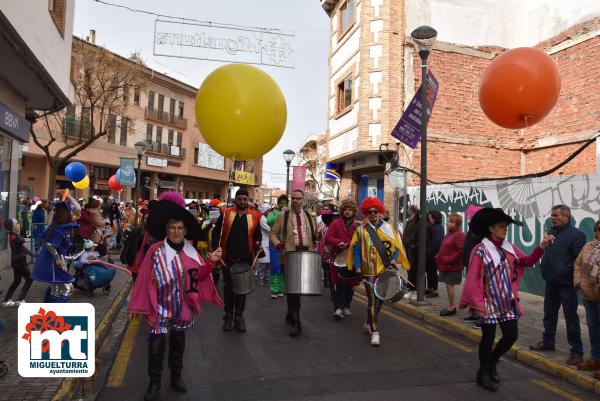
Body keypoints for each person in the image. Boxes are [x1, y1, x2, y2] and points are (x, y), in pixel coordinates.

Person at [128, 192, 222, 401]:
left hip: (182, 308)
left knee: (178, 343)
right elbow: (142, 280)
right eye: (172, 228)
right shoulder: (155, 250)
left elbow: (199, 276)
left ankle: (176, 377)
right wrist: (136, 306)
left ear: (185, 231)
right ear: (166, 230)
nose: (176, 231)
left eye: (180, 228)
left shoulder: (191, 251)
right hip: (158, 307)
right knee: (156, 346)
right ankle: (154, 383)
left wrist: (211, 262)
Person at [460, 208, 553, 392]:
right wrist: (477, 305)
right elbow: (472, 279)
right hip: (487, 303)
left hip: (506, 302)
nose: (505, 230)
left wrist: (541, 247)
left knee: (511, 336)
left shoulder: (508, 247)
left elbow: (526, 261)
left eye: (506, 227)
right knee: (488, 337)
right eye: (502, 226)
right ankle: (483, 372)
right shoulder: (480, 250)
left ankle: (493, 361)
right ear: (491, 228)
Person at [348, 197, 410, 346]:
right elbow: (356, 251)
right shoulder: (361, 231)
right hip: (368, 271)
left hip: (385, 272)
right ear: (366, 213)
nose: (373, 214)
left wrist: (394, 260)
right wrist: (357, 267)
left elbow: (396, 247)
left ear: (381, 212)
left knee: (380, 301)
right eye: (370, 212)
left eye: (376, 211)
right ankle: (374, 331)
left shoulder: (389, 229)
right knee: (372, 301)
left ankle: (369, 322)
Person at [529, 205, 586, 366]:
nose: (553, 218)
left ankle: (576, 351)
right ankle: (548, 342)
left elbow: (578, 260)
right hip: (551, 281)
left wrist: (564, 272)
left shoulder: (577, 235)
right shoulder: (551, 232)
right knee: (549, 314)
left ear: (566, 217)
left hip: (566, 284)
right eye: (552, 215)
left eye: (556, 215)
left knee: (571, 317)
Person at [212, 188, 263, 333]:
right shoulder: (226, 213)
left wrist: (258, 244)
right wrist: (216, 249)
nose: (242, 201)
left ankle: (239, 317)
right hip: (227, 258)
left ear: (248, 201)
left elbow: (258, 235)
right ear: (236, 200)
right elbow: (217, 234)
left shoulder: (254, 216)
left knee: (242, 289)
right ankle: (228, 316)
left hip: (245, 258)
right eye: (240, 199)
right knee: (228, 287)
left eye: (245, 199)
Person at [270, 189, 318, 337]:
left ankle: (291, 312)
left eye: (299, 199)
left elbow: (314, 235)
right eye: (294, 198)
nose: (296, 201)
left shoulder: (310, 216)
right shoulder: (282, 216)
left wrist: (319, 236)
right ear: (291, 200)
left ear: (303, 201)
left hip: (306, 254)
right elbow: (273, 233)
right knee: (293, 289)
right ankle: (297, 323)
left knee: (298, 289)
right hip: (289, 255)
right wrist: (278, 244)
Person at [31, 199, 80, 303]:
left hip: (55, 262)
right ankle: (56, 312)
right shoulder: (60, 229)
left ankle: (47, 311)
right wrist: (57, 259)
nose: (72, 214)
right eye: (69, 212)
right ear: (65, 214)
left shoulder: (59, 227)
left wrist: (70, 196)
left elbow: (78, 209)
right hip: (53, 263)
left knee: (56, 290)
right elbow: (49, 244)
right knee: (67, 289)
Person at [573, 219, 600, 377]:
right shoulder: (588, 246)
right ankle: (595, 359)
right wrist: (578, 282)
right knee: (593, 329)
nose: (597, 233)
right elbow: (577, 265)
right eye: (596, 229)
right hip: (589, 296)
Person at [326, 198, 360, 319]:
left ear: (354, 211)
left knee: (350, 284)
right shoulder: (335, 223)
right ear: (342, 210)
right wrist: (338, 242)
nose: (347, 212)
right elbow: (328, 238)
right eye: (345, 209)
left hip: (352, 259)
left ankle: (346, 306)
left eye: (350, 210)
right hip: (337, 258)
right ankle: (338, 308)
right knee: (337, 284)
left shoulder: (357, 225)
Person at [436, 213, 466, 316]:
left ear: (455, 224)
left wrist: (448, 260)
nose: (447, 223)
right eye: (448, 221)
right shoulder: (449, 234)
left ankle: (451, 307)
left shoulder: (459, 235)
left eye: (449, 221)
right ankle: (450, 305)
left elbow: (460, 251)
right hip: (445, 264)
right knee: (448, 286)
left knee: (450, 286)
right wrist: (439, 257)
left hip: (452, 265)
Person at [2, 219, 34, 306]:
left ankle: (6, 300)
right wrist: (33, 254)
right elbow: (21, 242)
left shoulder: (13, 235)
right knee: (29, 279)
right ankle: (20, 299)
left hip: (16, 261)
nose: (19, 225)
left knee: (17, 280)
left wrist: (33, 254)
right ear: (12, 226)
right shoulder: (14, 236)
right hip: (20, 262)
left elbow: (23, 248)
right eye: (17, 224)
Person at [463, 204, 484, 322]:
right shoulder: (472, 229)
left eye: (470, 216)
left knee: (477, 289)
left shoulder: (479, 230)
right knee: (471, 288)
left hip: (477, 264)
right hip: (470, 262)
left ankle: (477, 313)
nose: (468, 217)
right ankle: (472, 311)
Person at [267, 195, 288, 299]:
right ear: (278, 203)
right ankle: (274, 289)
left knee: (283, 267)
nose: (283, 205)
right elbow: (269, 222)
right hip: (274, 244)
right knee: (276, 266)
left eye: (285, 203)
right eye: (282, 202)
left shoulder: (289, 214)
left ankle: (281, 289)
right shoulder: (272, 213)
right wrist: (281, 214)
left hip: (286, 244)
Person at [402, 205, 419, 300]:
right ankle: (411, 289)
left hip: (412, 249)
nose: (407, 210)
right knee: (409, 270)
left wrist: (411, 245)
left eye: (408, 209)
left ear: (411, 210)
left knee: (414, 271)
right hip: (408, 249)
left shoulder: (416, 221)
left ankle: (416, 291)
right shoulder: (410, 220)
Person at [426, 210, 444, 298]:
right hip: (430, 253)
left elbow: (437, 242)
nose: (429, 219)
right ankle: (429, 288)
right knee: (429, 271)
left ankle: (435, 290)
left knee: (433, 272)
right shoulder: (433, 226)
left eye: (430, 218)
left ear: (434, 218)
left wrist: (431, 252)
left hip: (433, 254)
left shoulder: (438, 228)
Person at [256, 206, 271, 286]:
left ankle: (266, 277)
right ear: (264, 211)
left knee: (268, 262)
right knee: (262, 263)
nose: (269, 212)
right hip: (264, 243)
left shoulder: (266, 218)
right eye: (268, 210)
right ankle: (260, 279)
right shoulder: (262, 218)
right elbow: (269, 229)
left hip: (268, 242)